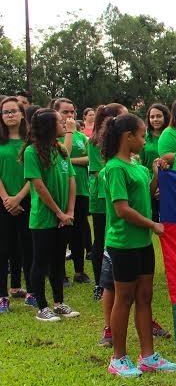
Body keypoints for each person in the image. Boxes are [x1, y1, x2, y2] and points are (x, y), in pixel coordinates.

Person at [100, 113, 176, 376]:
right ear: (128, 136)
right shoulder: (114, 168)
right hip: (123, 243)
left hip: (142, 243)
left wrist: (157, 175)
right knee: (124, 298)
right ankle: (118, 358)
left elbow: (146, 194)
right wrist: (152, 224)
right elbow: (122, 209)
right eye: (142, 136)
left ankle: (148, 356)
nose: (145, 141)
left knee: (145, 297)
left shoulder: (138, 166)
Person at [22, 108, 78, 322]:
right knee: (41, 262)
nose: (64, 122)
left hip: (65, 217)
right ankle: (42, 307)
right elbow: (39, 186)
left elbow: (71, 180)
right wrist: (58, 212)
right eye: (59, 120)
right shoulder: (31, 152)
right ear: (48, 126)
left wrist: (70, 211)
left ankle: (59, 303)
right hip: (44, 219)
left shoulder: (62, 149)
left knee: (58, 261)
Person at [88, 103, 127, 304]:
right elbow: (97, 171)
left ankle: (113, 280)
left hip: (114, 195)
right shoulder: (96, 141)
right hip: (102, 198)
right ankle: (99, 284)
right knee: (101, 240)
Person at [55, 98, 92, 285]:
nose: (69, 116)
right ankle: (59, 273)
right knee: (63, 232)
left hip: (82, 188)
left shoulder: (80, 135)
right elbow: (64, 156)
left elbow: (90, 158)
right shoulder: (56, 135)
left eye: (72, 112)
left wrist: (74, 161)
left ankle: (80, 271)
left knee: (79, 231)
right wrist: (69, 132)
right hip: (62, 190)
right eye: (65, 112)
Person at [0, 97, 32, 312]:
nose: (10, 115)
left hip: (28, 200)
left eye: (14, 111)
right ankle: (2, 296)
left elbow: (37, 174)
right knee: (3, 249)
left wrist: (19, 197)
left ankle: (32, 292)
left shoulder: (31, 142)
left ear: (22, 114)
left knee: (29, 247)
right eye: (5, 112)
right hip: (2, 201)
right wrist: (7, 199)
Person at [142, 103, 170, 221]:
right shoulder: (144, 137)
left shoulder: (171, 136)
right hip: (149, 182)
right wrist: (153, 186)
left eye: (159, 116)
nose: (155, 119)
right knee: (152, 219)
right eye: (152, 117)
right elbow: (140, 163)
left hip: (169, 183)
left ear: (165, 117)